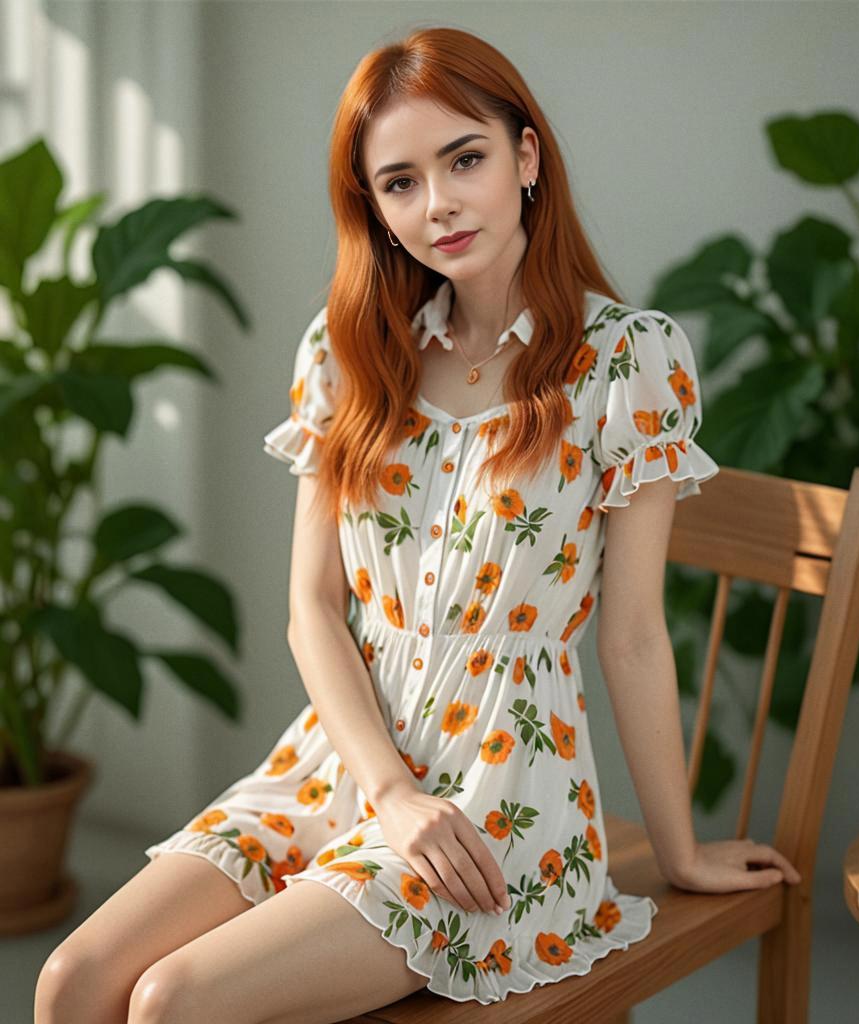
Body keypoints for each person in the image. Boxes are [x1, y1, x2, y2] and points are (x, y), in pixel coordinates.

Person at [35, 24, 801, 1024]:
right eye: (398, 182)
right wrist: (387, 788)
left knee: (174, 1002)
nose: (436, 203)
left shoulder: (625, 363)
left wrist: (682, 849)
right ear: (374, 209)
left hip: (502, 797)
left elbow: (633, 637)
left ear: (526, 157)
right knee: (73, 983)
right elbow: (311, 609)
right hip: (340, 765)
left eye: (464, 159)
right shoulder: (353, 352)